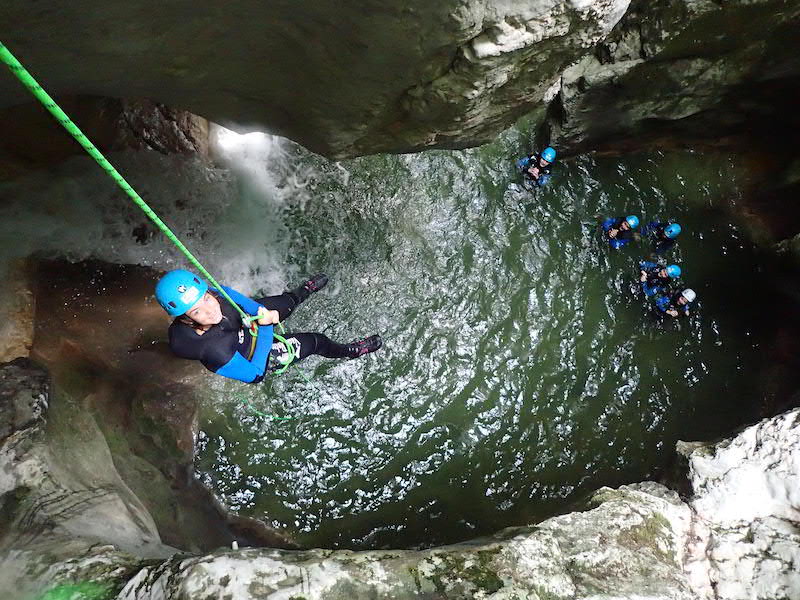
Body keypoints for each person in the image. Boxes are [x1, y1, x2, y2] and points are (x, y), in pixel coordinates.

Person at [155, 270, 382, 383]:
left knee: (286, 303)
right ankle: (352, 351)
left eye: (206, 299)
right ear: (186, 318)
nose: (210, 310)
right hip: (252, 353)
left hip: (242, 323)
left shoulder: (215, 293)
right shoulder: (213, 350)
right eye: (196, 311)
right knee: (316, 341)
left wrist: (260, 313)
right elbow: (255, 375)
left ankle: (303, 291)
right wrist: (265, 327)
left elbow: (242, 302)